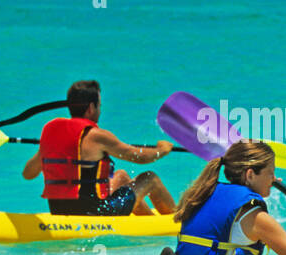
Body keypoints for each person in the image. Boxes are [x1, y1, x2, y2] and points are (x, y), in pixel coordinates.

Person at [24, 80, 176, 216]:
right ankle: (179, 223)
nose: (100, 110)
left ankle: (148, 223)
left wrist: (45, 148)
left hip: (58, 211)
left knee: (121, 176)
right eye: (99, 106)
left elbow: (28, 174)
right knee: (150, 179)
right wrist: (162, 149)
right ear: (91, 108)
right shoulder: (97, 136)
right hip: (96, 213)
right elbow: (140, 157)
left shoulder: (50, 132)